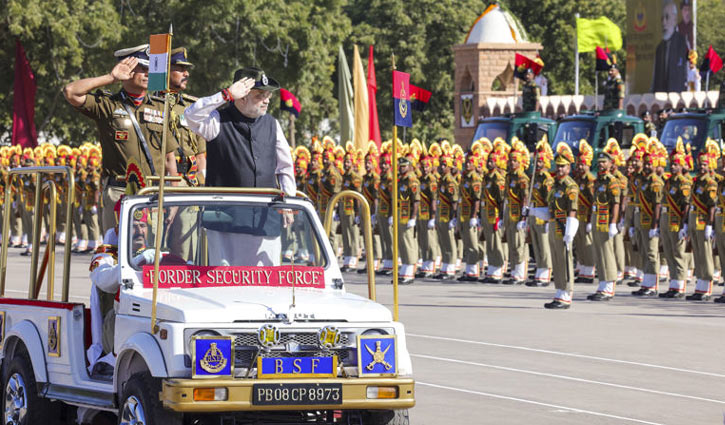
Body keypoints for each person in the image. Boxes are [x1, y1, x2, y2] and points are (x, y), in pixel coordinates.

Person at [63, 44, 181, 234]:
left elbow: (169, 158)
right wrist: (110, 78)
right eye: (141, 68)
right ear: (126, 70)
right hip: (119, 192)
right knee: (115, 252)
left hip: (154, 194)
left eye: (150, 69)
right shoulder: (108, 105)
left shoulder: (160, 108)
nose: (147, 74)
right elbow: (71, 92)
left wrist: (173, 197)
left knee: (151, 256)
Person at [183, 66, 294, 196]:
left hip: (266, 212)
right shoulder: (217, 121)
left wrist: (288, 203)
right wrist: (226, 95)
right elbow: (190, 115)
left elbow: (285, 167)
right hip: (225, 212)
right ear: (241, 97)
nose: (267, 101)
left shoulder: (272, 124)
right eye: (260, 96)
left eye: (268, 95)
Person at [531, 143, 579, 309]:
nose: (559, 169)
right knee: (557, 260)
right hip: (553, 225)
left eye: (563, 166)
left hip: (564, 226)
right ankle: (559, 291)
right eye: (558, 166)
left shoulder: (570, 186)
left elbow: (572, 209)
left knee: (565, 260)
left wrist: (570, 231)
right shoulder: (555, 186)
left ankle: (567, 293)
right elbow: (550, 209)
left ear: (569, 167)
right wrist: (533, 211)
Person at [587, 152, 621, 301]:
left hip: (606, 221)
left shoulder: (611, 181)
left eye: (604, 162)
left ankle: (609, 287)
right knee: (598, 253)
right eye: (599, 162)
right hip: (597, 219)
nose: (601, 164)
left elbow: (616, 203)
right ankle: (602, 284)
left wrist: (613, 223)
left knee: (607, 253)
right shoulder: (598, 181)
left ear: (610, 164)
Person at [660, 140, 692, 298]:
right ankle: (673, 284)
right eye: (671, 164)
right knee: (668, 251)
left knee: (679, 252)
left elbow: (686, 205)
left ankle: (680, 284)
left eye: (676, 165)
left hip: (676, 219)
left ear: (681, 166)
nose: (672, 167)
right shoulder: (668, 182)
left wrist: (684, 225)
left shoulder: (684, 183)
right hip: (666, 218)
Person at [686, 145, 719, 301]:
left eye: (705, 164)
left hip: (703, 221)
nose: (701, 166)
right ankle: (699, 286)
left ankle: (706, 288)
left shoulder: (710, 183)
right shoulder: (697, 182)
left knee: (705, 255)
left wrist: (709, 225)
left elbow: (712, 205)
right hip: (694, 220)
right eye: (700, 164)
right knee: (697, 254)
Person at [632, 146, 665, 296]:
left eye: (649, 164)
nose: (647, 166)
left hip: (650, 220)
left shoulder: (656, 182)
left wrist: (655, 225)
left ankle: (653, 285)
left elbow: (657, 205)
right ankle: (646, 282)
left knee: (652, 253)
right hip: (640, 219)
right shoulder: (642, 180)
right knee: (644, 251)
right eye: (645, 163)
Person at [526, 140, 554, 287]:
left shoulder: (547, 179)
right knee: (536, 245)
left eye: (541, 162)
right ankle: (539, 271)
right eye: (536, 161)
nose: (538, 164)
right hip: (533, 213)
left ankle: (545, 274)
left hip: (542, 215)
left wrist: (550, 219)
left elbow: (550, 201)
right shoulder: (534, 177)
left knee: (544, 246)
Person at [505, 141, 530, 284]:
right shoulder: (510, 177)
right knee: (512, 243)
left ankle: (521, 273)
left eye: (515, 160)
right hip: (509, 214)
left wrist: (523, 218)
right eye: (510, 160)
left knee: (520, 244)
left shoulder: (522, 178)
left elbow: (525, 199)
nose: (512, 163)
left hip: (518, 215)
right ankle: (514, 271)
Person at [651, 0, 688, 93]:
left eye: (667, 17)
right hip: (660, 99)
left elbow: (688, 72)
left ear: (675, 19)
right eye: (662, 18)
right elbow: (655, 78)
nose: (664, 23)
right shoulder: (659, 48)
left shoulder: (683, 43)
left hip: (678, 98)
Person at [573, 140, 596, 284]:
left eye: (583, 164)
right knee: (579, 243)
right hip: (578, 216)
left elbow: (594, 201)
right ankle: (582, 269)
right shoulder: (577, 179)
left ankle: (589, 270)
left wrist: (590, 220)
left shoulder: (590, 180)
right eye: (579, 164)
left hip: (586, 216)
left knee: (587, 244)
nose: (581, 167)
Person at [434, 153, 459, 280]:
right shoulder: (442, 180)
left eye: (445, 165)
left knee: (449, 242)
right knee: (443, 241)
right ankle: (445, 267)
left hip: (448, 216)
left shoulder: (450, 182)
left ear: (449, 167)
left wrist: (454, 218)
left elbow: (454, 202)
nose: (442, 167)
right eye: (441, 164)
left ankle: (450, 268)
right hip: (441, 215)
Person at [458, 154, 482, 281]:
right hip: (463, 214)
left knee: (473, 243)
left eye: (470, 162)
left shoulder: (475, 178)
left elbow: (476, 199)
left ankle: (474, 270)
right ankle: (469, 270)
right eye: (466, 162)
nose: (467, 164)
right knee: (467, 242)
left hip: (470, 215)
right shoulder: (465, 177)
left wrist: (474, 216)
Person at [396, 157, 420, 285]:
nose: (401, 168)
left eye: (404, 166)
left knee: (408, 242)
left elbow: (416, 201)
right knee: (402, 242)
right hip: (401, 215)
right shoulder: (401, 180)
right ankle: (405, 270)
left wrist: (413, 218)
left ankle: (410, 271)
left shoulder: (412, 180)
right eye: (400, 166)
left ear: (410, 166)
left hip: (408, 215)